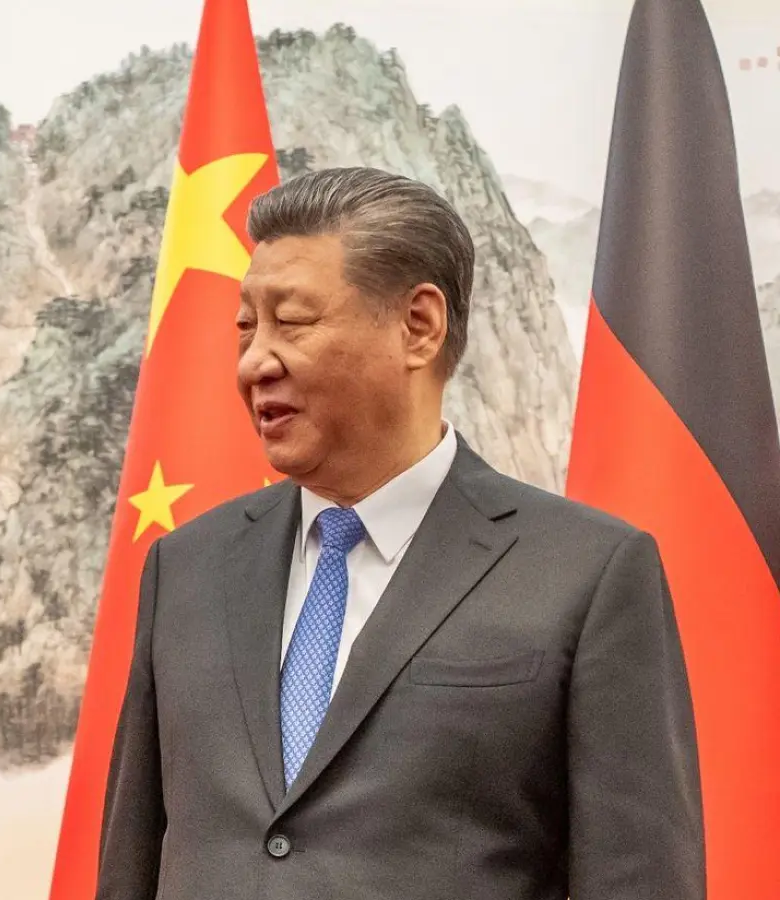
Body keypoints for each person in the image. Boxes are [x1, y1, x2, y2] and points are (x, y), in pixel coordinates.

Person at [95, 167, 705, 899]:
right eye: (244, 327)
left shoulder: (587, 573)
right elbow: (130, 863)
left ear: (419, 325)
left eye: (291, 321)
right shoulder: (184, 568)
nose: (255, 360)